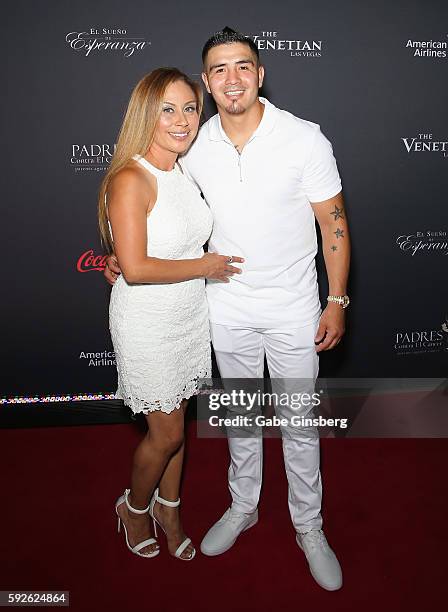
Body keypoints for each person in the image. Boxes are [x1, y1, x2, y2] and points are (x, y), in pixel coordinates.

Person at [105, 28, 350, 590]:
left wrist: (336, 299)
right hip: (223, 310)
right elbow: (154, 207)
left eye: (243, 66)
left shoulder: (304, 138)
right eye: (219, 69)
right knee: (240, 419)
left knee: (299, 423)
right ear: (209, 83)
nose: (232, 78)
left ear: (260, 75)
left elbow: (333, 223)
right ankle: (244, 506)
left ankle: (308, 526)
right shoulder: (195, 145)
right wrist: (120, 260)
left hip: (293, 308)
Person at [98, 67, 243, 561]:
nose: (182, 120)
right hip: (148, 321)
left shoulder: (183, 169)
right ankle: (135, 507)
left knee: (179, 421)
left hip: (187, 315)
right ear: (146, 114)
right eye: (168, 109)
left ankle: (170, 507)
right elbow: (135, 268)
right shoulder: (131, 177)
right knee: (169, 432)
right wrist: (204, 265)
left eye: (189, 108)